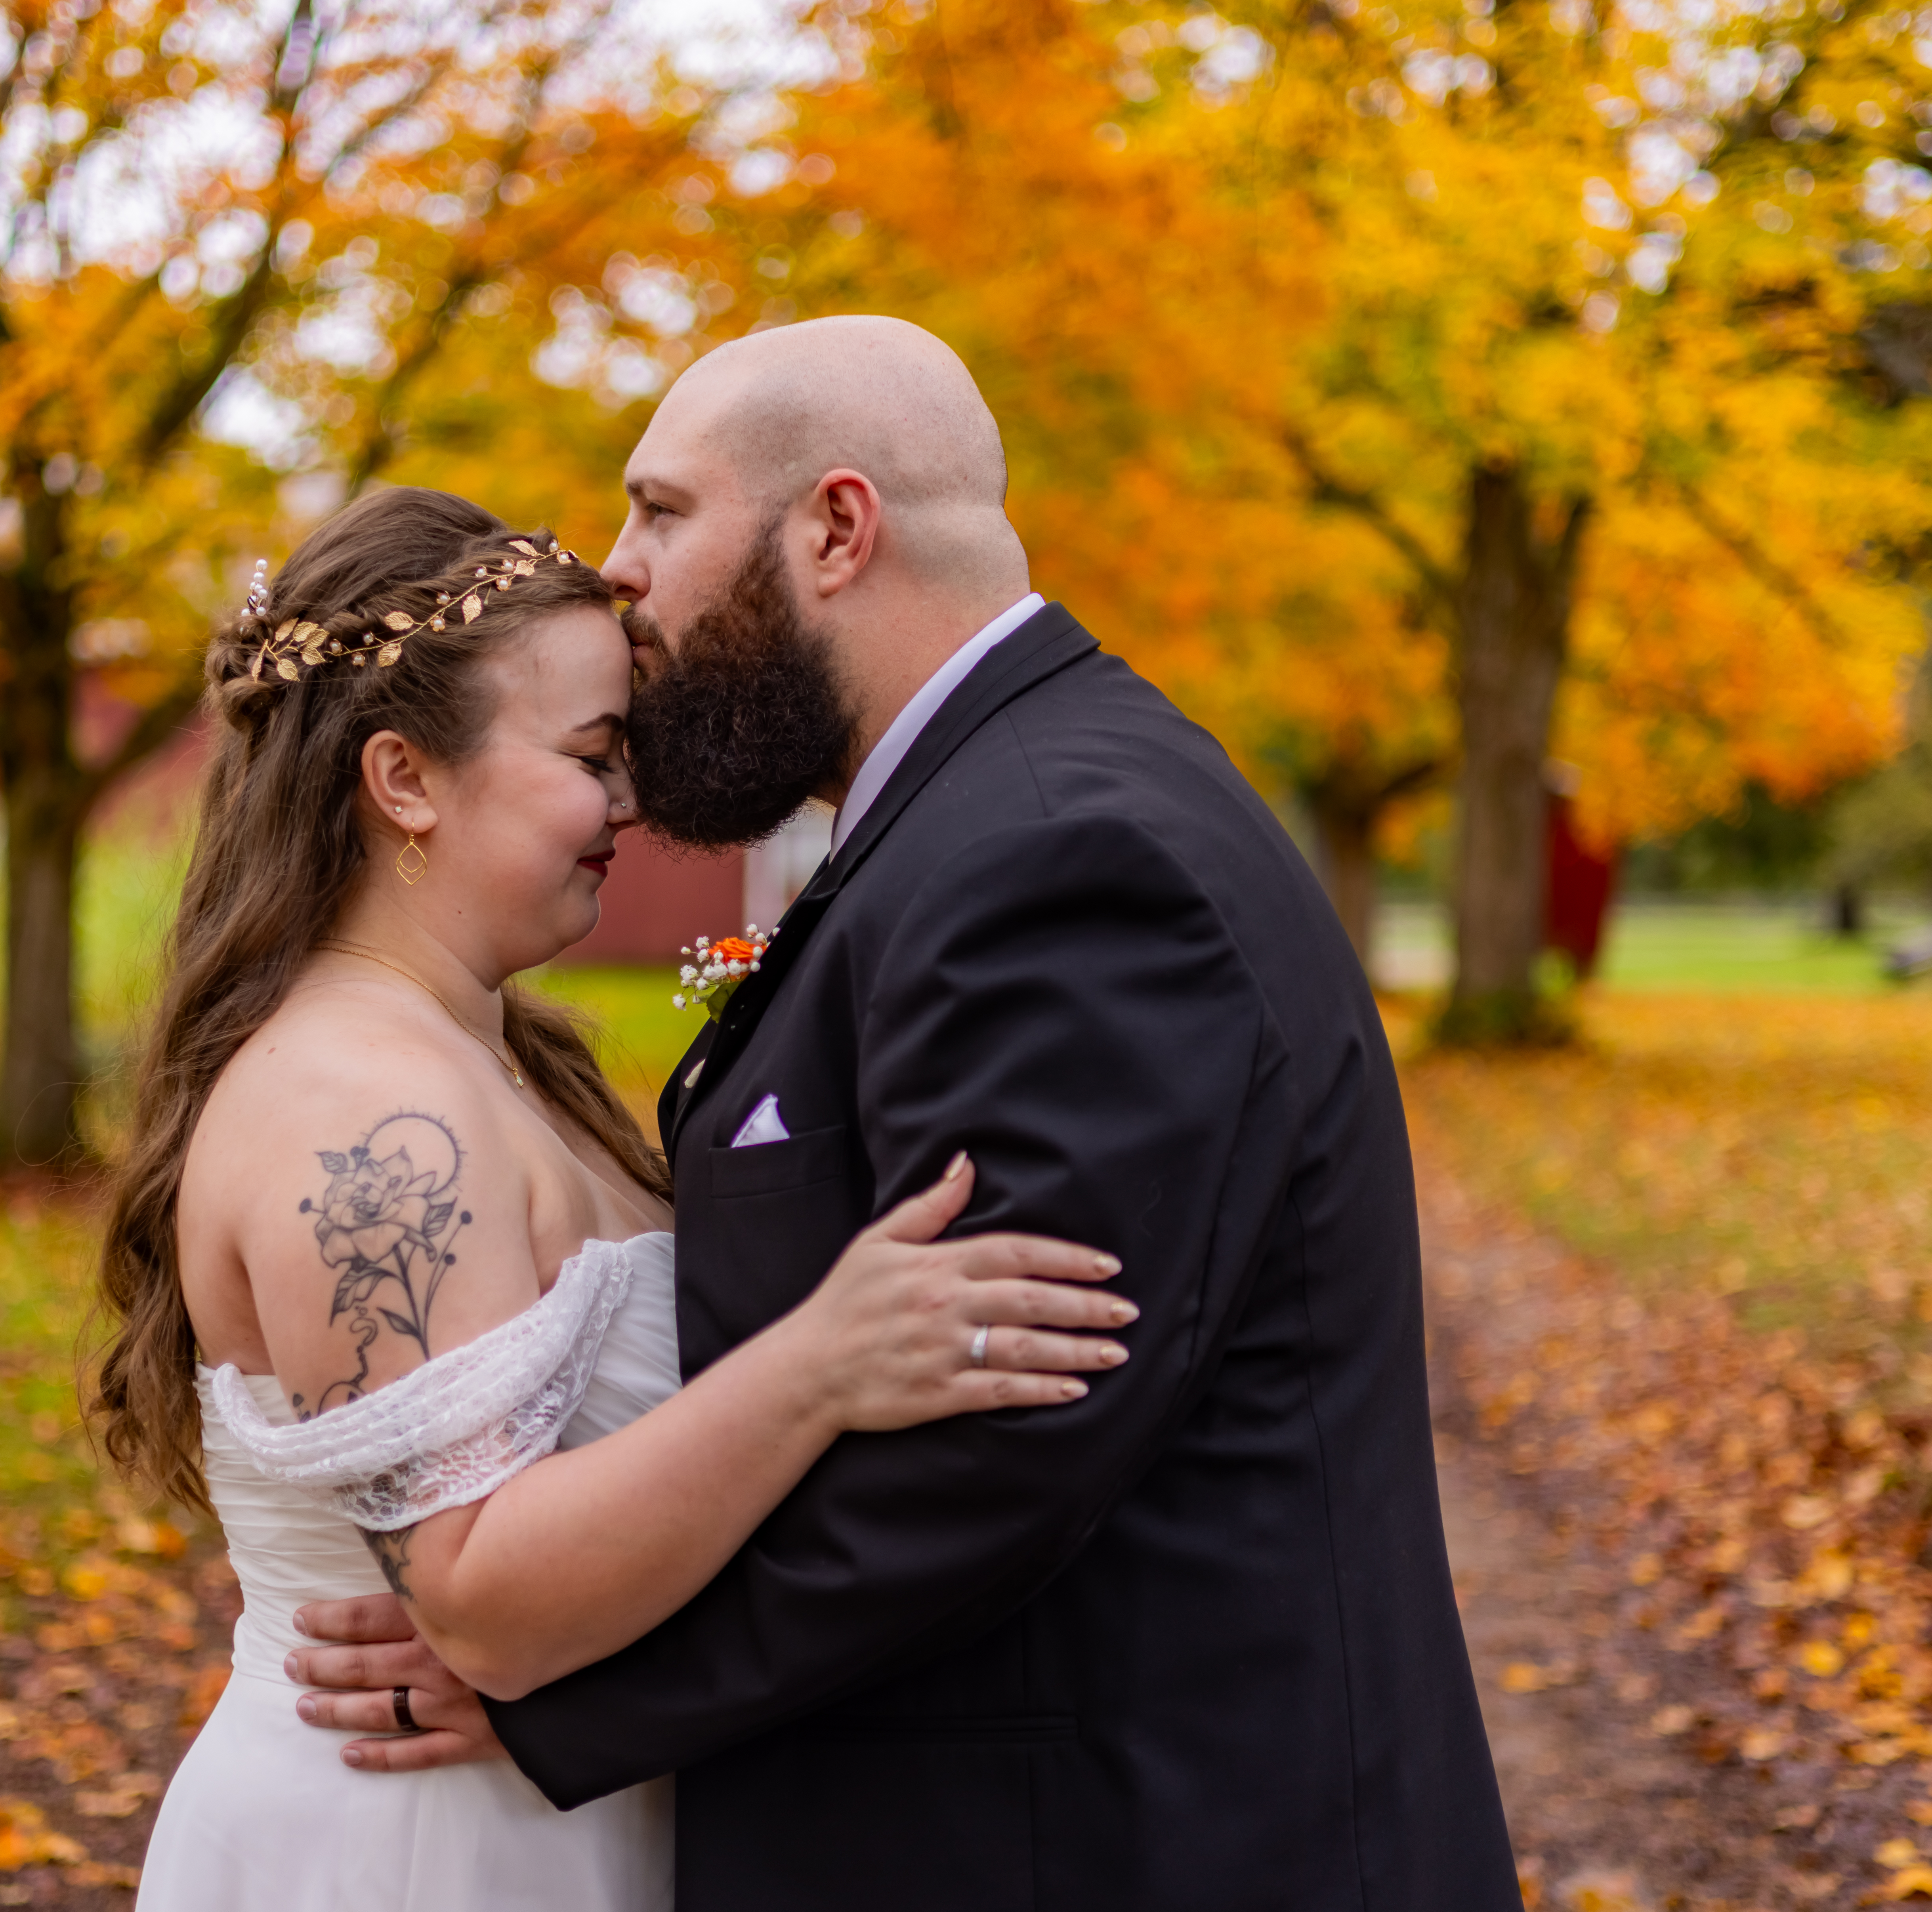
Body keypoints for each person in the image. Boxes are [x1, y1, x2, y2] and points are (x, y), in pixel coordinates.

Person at [285, 317, 1523, 1910]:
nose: (618, 575)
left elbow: (1007, 1437)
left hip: (1138, 1845)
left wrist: (562, 1685)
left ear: (837, 529)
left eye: (661, 512)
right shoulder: (978, 821)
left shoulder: (1066, 856)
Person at [88, 485, 1138, 1911]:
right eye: (593, 754)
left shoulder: (484, 1057)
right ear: (404, 780)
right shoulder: (370, 1115)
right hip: (419, 1853)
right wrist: (821, 1364)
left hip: (531, 1816)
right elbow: (479, 1596)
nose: (631, 802)